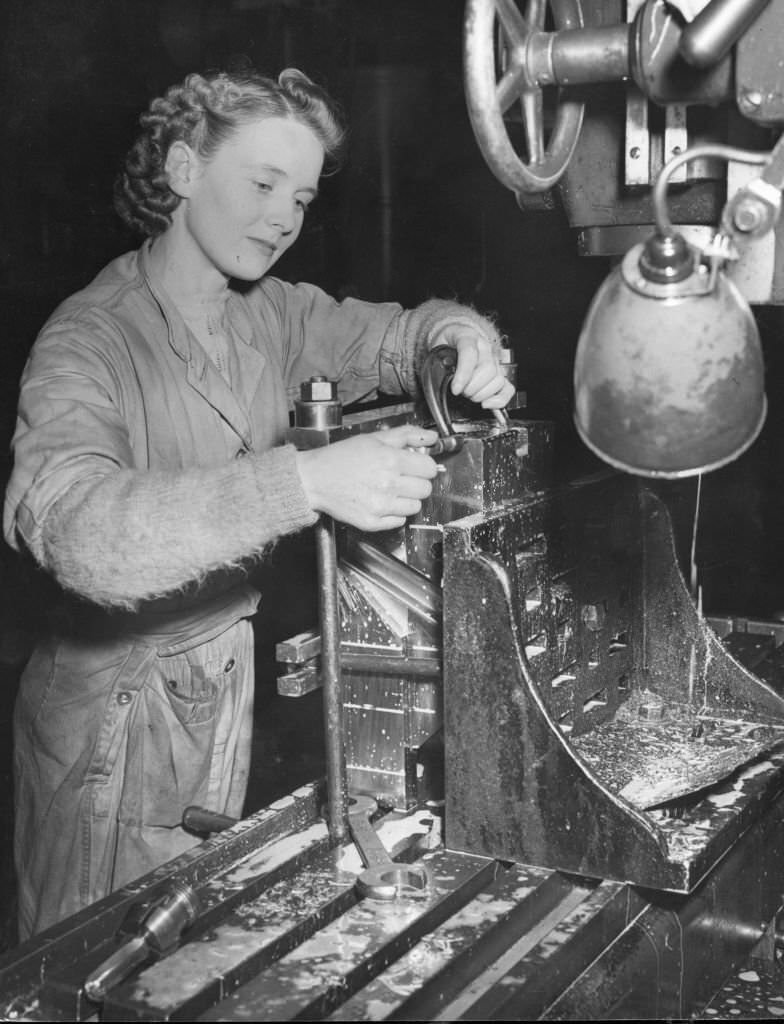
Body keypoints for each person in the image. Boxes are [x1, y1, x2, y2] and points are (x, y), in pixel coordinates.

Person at [3, 66, 514, 940]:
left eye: (304, 196)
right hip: (113, 725)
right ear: (181, 170)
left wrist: (459, 337)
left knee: (190, 963)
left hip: (218, 693)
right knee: (99, 969)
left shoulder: (267, 313)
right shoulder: (90, 337)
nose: (284, 216)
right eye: (263, 182)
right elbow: (80, 534)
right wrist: (305, 482)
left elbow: (399, 337)